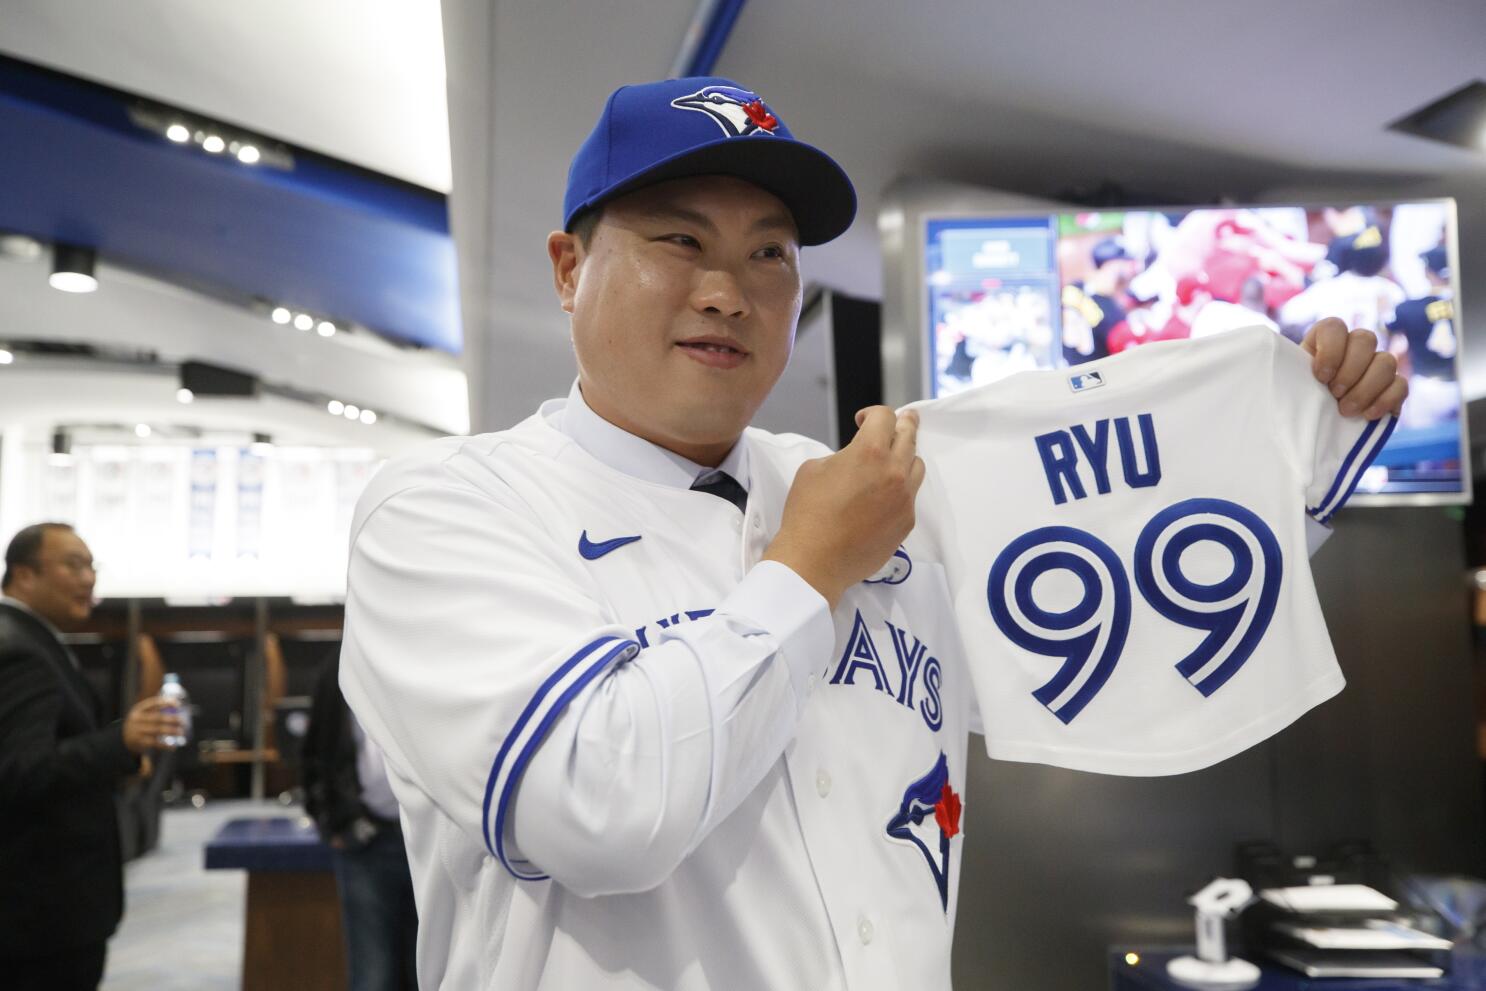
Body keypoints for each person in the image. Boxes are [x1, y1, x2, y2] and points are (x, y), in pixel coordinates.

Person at [339, 77, 1408, 990]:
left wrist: (1298, 458)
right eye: (680, 240)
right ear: (570, 267)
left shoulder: (866, 482)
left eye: (770, 252)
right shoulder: (443, 508)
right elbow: (595, 811)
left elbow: (1132, 609)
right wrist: (806, 571)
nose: (730, 290)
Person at [0, 522, 183, 991]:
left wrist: (117, 762)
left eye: (91, 566)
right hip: (41, 915)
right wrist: (118, 743)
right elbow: (21, 771)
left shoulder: (28, 638)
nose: (88, 579)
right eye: (73, 565)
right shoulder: (19, 649)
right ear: (23, 575)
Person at [303, 652, 418, 991]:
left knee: (429, 971)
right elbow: (315, 752)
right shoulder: (338, 669)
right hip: (364, 841)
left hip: (427, 840)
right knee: (373, 974)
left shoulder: (427, 660)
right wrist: (332, 822)